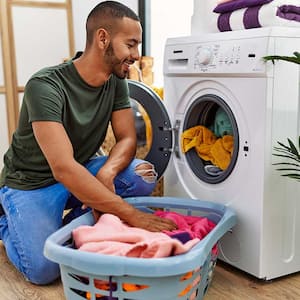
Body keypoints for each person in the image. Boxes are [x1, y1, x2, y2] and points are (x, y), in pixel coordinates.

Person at [0, 1, 177, 285]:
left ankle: (75, 223)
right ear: (103, 38)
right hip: (31, 183)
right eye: (130, 44)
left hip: (81, 169)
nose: (136, 54)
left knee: (141, 174)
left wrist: (106, 173)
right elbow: (63, 168)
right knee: (44, 269)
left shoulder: (114, 79)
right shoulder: (44, 86)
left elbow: (127, 138)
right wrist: (130, 214)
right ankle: (8, 222)